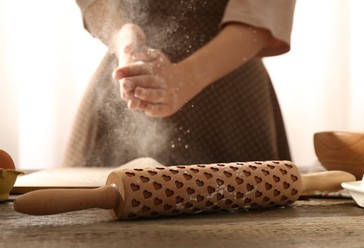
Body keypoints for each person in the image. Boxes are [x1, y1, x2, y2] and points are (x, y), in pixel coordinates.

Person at [63, 0, 296, 167]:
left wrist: (187, 77)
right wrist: (121, 37)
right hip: (129, 76)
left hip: (228, 97)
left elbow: (265, 9)